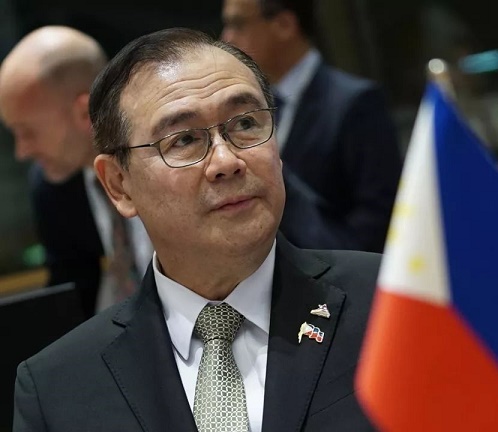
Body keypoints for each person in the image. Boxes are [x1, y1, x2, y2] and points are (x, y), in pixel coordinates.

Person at [13, 28, 379, 431]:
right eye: (184, 139)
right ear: (119, 185)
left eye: (246, 123)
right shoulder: (55, 389)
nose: (227, 161)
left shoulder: (389, 304)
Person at [221, 0, 402, 253]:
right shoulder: (244, 110)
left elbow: (378, 223)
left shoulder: (355, 102)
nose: (227, 39)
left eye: (238, 24)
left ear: (284, 25)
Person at [0, 26, 152, 317]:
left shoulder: (169, 162)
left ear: (84, 112)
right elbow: (72, 299)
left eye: (27, 132)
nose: (21, 151)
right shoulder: (51, 188)